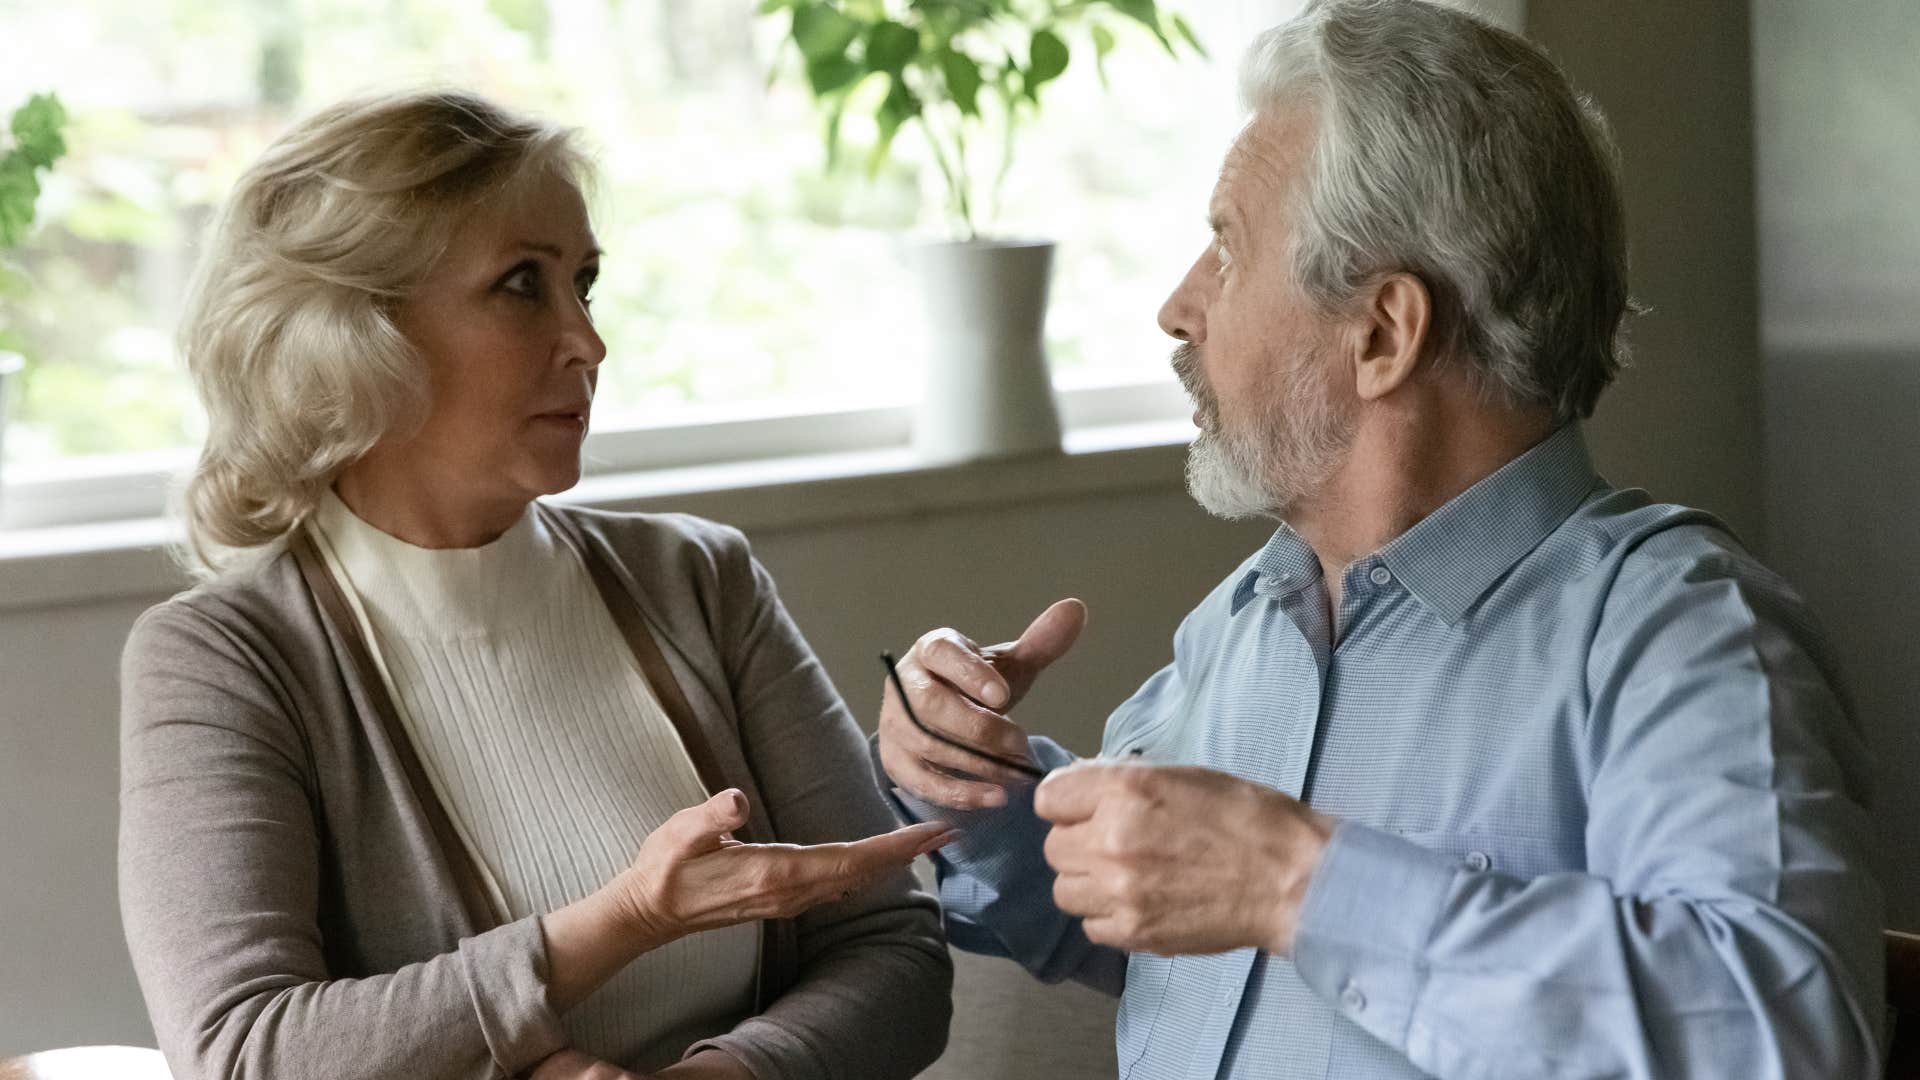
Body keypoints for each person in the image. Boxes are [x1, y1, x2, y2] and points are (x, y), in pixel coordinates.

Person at [873, 1, 1885, 1077]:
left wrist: (1296, 883)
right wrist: (978, 789)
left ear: (1383, 333)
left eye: (1226, 247)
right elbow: (1148, 934)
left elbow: (1783, 1037)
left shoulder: (1682, 636)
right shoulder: (1240, 627)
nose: (1177, 308)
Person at [118, 90, 955, 1080]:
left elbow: (895, 945)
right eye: (523, 284)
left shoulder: (698, 579)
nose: (588, 343)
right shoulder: (223, 659)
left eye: (584, 284)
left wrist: (726, 1078)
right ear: (354, 332)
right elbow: (244, 1053)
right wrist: (621, 921)